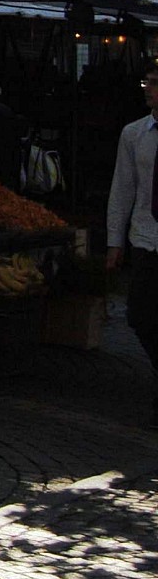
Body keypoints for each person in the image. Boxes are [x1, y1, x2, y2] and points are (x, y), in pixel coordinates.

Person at [105, 66, 158, 426]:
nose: (147, 90)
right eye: (147, 82)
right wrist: (114, 239)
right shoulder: (135, 133)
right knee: (139, 314)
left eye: (154, 84)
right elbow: (123, 186)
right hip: (146, 236)